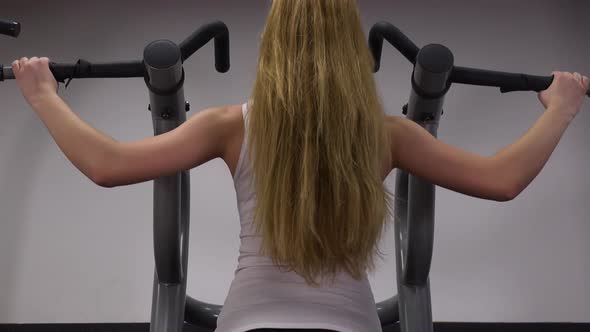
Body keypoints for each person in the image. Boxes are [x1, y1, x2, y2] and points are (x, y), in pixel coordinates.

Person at [10, 0, 589, 331]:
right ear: (351, 51)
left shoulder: (228, 124)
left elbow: (106, 165)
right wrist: (560, 108)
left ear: (272, 47)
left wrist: (42, 94)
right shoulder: (387, 134)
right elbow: (503, 179)